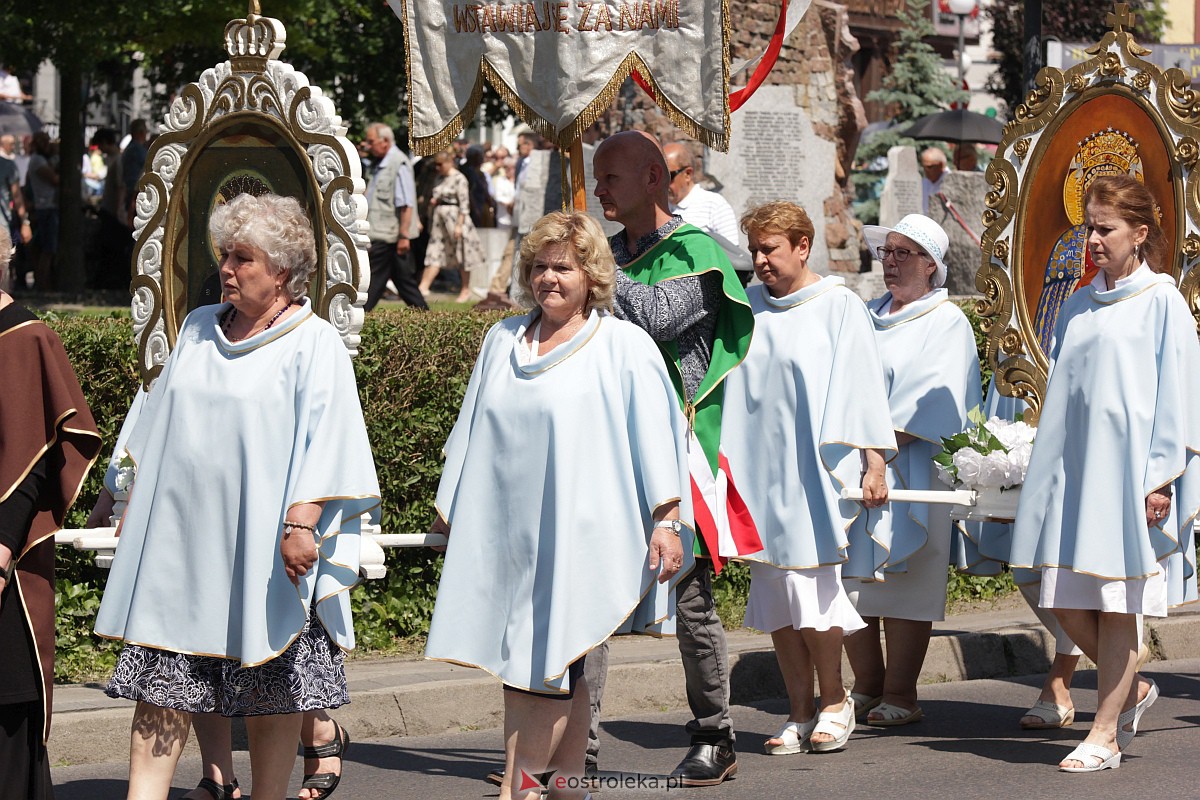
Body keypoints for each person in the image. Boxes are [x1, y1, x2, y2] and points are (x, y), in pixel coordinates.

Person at [93, 193, 380, 799]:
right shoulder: (199, 328)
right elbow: (159, 425)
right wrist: (132, 501)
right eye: (225, 254)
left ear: (282, 270)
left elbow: (328, 439)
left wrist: (303, 522)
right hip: (182, 549)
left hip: (266, 553)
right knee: (161, 689)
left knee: (275, 689)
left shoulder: (314, 341)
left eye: (243, 257)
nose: (227, 267)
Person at [427, 211, 691, 800]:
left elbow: (657, 438)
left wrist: (666, 523)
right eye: (540, 267)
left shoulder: (622, 346)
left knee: (549, 660)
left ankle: (518, 791)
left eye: (563, 268)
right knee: (529, 662)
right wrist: (451, 505)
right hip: (507, 536)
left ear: (591, 276)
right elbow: (470, 429)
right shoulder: (502, 340)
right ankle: (565, 787)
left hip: (584, 535)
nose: (549, 278)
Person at [995, 174, 1199, 772]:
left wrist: (1160, 479)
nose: (1092, 239)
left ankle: (1105, 733)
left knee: (1116, 601)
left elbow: (1178, 398)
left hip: (1130, 474)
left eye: (1105, 228)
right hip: (1073, 471)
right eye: (1088, 227)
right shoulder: (1081, 301)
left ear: (1140, 233)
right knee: (1056, 590)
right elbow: (1066, 391)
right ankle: (1130, 688)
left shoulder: (1162, 301)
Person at [590, 130, 755, 787]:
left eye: (611, 178)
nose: (599, 189)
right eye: (597, 178)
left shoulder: (699, 251)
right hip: (607, 441)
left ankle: (715, 735)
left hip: (677, 446)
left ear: (654, 179)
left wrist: (595, 275)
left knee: (689, 603)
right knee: (591, 598)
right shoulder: (605, 254)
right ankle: (579, 745)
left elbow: (659, 316)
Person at [723, 201, 895, 755]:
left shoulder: (838, 305)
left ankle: (835, 700)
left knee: (812, 588)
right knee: (775, 594)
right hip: (757, 471)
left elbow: (863, 384)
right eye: (754, 250)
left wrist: (873, 461)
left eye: (769, 249)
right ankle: (798, 711)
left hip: (812, 472)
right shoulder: (747, 304)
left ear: (803, 245)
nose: (760, 260)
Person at [841, 213, 982, 726]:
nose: (892, 262)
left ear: (931, 265)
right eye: (887, 252)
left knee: (907, 578)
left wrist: (876, 442)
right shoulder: (861, 314)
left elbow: (933, 400)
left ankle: (901, 691)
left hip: (914, 463)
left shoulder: (947, 322)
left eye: (904, 253)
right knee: (852, 574)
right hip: (854, 464)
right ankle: (866, 684)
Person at [0, 222, 101, 800]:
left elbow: (34, 458)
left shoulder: (25, 337)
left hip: (5, 563)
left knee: (7, 706)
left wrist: (2, 547)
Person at [361, 122, 428, 311]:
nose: (368, 145)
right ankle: (424, 314)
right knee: (403, 280)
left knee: (374, 278)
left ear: (385, 141)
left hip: (390, 235)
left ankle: (361, 314)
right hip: (384, 233)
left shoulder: (398, 163)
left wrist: (404, 236)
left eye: (371, 141)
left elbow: (406, 202)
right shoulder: (381, 164)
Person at [662, 142, 751, 279]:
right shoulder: (660, 207)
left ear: (688, 174)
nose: (663, 183)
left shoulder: (714, 205)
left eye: (669, 176)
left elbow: (732, 259)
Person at [419, 151, 485, 302]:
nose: (438, 167)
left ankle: (465, 289)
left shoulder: (459, 178)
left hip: (455, 219)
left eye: (440, 164)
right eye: (436, 164)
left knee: (462, 254)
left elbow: (464, 204)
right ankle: (423, 286)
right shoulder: (440, 178)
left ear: (449, 162)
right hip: (439, 220)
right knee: (434, 251)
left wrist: (459, 225)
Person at [25, 132, 57, 291]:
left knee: (43, 248)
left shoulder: (40, 159)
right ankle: (43, 285)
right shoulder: (37, 160)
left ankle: (43, 282)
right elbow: (55, 179)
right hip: (46, 208)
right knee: (48, 249)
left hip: (45, 207)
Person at [919, 147, 948, 215]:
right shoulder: (924, 183)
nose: (926, 170)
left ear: (941, 165)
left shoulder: (950, 181)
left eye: (929, 167)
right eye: (924, 167)